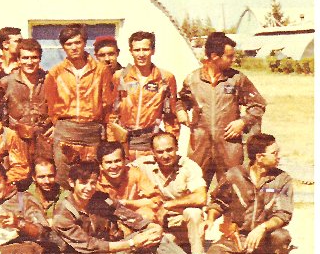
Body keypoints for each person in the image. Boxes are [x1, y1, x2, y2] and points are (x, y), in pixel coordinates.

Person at [50, 162, 222, 254]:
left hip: (112, 252)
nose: (89, 188)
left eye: (93, 183)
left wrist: (152, 227)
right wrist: (132, 243)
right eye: (83, 183)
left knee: (153, 236)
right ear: (72, 183)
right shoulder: (63, 214)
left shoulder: (100, 199)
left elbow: (126, 214)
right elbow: (89, 246)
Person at [197, 134, 293, 254]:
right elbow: (219, 202)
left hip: (266, 237)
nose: (278, 157)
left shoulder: (282, 179)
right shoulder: (234, 175)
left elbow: (283, 214)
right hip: (237, 236)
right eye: (274, 153)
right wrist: (210, 219)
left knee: (282, 237)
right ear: (259, 157)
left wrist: (262, 228)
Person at [179, 31, 266, 186]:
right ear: (214, 56)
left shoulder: (237, 79)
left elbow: (258, 105)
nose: (233, 59)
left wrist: (243, 122)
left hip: (229, 147)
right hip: (200, 146)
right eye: (229, 56)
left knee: (232, 189)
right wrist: (180, 110)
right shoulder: (193, 79)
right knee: (194, 188)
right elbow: (181, 100)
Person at [43, 24, 113, 186]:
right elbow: (51, 105)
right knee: (65, 177)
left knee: (90, 177)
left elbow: (108, 104)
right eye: (69, 44)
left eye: (77, 42)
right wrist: (59, 124)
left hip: (92, 131)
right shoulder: (55, 72)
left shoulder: (101, 70)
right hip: (66, 131)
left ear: (84, 43)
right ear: (63, 47)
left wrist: (107, 133)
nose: (74, 47)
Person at [107, 31, 184, 159]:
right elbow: (112, 112)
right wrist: (111, 143)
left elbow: (171, 117)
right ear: (131, 51)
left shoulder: (165, 77)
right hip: (125, 143)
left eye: (146, 49)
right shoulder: (120, 76)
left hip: (150, 143)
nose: (141, 54)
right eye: (137, 50)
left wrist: (171, 143)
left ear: (153, 51)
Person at [132, 132, 208, 254]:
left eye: (169, 150)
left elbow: (201, 197)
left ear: (177, 148)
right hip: (157, 222)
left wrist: (168, 205)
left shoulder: (189, 166)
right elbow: (120, 172)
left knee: (194, 213)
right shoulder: (142, 165)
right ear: (153, 152)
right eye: (160, 152)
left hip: (181, 221)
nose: (165, 156)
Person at [4, 38, 54, 161]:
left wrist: (56, 126)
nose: (30, 62)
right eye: (25, 58)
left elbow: (63, 107)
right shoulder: (6, 83)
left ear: (40, 59)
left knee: (45, 172)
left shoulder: (50, 81)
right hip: (15, 141)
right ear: (18, 60)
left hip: (44, 140)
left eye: (34, 57)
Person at [96, 141, 163, 221]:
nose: (114, 166)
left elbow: (155, 202)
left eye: (117, 161)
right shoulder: (96, 181)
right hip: (111, 219)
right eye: (108, 162)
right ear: (101, 165)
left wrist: (126, 203)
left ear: (124, 161)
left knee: (148, 214)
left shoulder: (134, 173)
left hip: (135, 217)